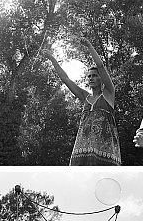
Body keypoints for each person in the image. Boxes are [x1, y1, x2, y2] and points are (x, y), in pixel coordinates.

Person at [42, 37, 121, 166]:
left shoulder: (108, 93)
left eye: (95, 75)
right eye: (89, 76)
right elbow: (64, 78)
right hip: (82, 150)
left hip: (104, 150)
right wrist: (52, 59)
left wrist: (89, 46)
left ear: (101, 78)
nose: (91, 78)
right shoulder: (85, 97)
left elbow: (100, 66)